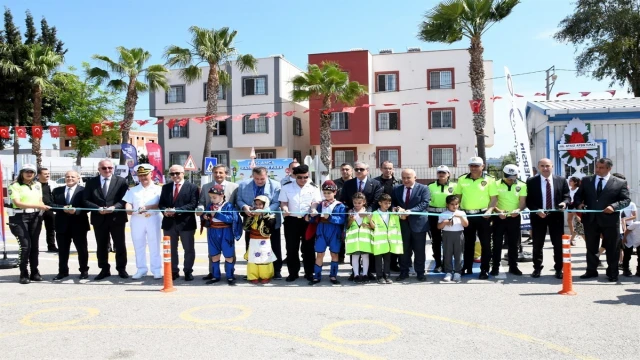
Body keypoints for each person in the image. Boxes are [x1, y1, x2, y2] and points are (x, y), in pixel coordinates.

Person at [574, 158, 630, 282]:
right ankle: (591, 271)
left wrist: (613, 207)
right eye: (597, 167)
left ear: (609, 168)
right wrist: (579, 205)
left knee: (612, 247)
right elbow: (578, 196)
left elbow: (626, 200)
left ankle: (612, 272)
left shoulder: (620, 182)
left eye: (601, 168)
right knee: (591, 247)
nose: (597, 170)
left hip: (610, 220)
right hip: (590, 220)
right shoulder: (587, 180)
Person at [83, 159, 130, 280]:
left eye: (110, 168)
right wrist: (97, 208)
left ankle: (121, 269)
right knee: (102, 246)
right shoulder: (91, 182)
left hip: (116, 218)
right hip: (99, 218)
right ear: (99, 170)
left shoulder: (121, 181)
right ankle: (104, 269)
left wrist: (115, 207)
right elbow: (86, 200)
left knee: (120, 245)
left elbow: (125, 199)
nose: (107, 170)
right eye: (104, 168)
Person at [525, 158, 570, 279]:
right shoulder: (531, 181)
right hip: (538, 216)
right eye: (542, 166)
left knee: (558, 244)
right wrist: (536, 210)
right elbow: (528, 201)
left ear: (552, 166)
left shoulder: (561, 180)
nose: (545, 168)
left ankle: (559, 269)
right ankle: (537, 268)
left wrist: (564, 203)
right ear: (539, 167)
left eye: (547, 166)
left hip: (556, 216)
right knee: (537, 244)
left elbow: (567, 196)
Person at [236, 167, 282, 279]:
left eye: (262, 178)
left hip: (270, 221)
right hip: (252, 222)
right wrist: (244, 206)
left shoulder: (275, 185)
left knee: (274, 246)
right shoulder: (243, 185)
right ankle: (252, 272)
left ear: (267, 175)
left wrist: (264, 211)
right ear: (252, 176)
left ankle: (276, 271)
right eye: (257, 179)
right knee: (251, 247)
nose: (259, 181)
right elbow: (239, 200)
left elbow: (277, 203)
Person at [8, 164, 50, 284]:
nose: (29, 173)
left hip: (35, 216)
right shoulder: (14, 186)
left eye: (31, 171)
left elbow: (40, 200)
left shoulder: (37, 185)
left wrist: (40, 207)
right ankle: (23, 272)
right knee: (25, 246)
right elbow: (18, 203)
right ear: (21, 172)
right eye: (26, 171)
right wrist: (39, 206)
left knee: (34, 246)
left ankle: (34, 271)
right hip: (19, 217)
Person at [279, 164, 322, 282]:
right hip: (291, 220)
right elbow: (283, 202)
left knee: (308, 247)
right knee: (292, 247)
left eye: (305, 177)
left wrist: (313, 209)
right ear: (294, 176)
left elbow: (316, 201)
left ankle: (309, 272)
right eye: (300, 177)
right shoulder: (286, 187)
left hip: (307, 220)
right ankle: (293, 273)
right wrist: (285, 209)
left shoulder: (313, 188)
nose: (303, 180)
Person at [454, 157, 495, 279]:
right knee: (468, 243)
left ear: (483, 166)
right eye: (471, 165)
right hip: (467, 216)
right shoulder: (462, 179)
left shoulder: (490, 180)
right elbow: (458, 197)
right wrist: (456, 212)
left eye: (476, 165)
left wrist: (490, 210)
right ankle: (467, 267)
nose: (473, 168)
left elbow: (494, 198)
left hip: (484, 216)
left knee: (485, 244)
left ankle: (484, 269)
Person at [158, 164, 199, 281]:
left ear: (183, 173)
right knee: (171, 249)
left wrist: (176, 211)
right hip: (169, 223)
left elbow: (193, 204)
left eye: (177, 173)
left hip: (186, 223)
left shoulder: (192, 187)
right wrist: (165, 211)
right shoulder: (165, 187)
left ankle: (188, 271)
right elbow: (161, 204)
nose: (175, 176)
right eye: (172, 174)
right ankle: (173, 271)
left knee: (189, 249)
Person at [199, 164, 239, 281]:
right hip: (212, 227)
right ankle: (213, 273)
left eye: (221, 172)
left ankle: (230, 274)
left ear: (226, 173)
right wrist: (202, 212)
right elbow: (202, 202)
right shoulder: (206, 187)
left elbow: (236, 205)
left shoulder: (234, 187)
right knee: (213, 251)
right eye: (215, 172)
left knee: (229, 251)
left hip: (227, 228)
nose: (218, 175)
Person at [123, 164, 163, 280]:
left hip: (153, 218)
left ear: (151, 174)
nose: (143, 177)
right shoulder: (133, 190)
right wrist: (128, 208)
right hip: (137, 220)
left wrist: (149, 207)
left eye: (145, 175)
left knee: (154, 244)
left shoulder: (159, 189)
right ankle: (141, 269)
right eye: (141, 175)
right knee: (138, 245)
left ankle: (156, 270)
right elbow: (128, 202)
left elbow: (160, 204)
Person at [488, 164, 527, 276]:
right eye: (508, 176)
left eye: (513, 176)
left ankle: (513, 266)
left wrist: (518, 210)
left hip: (514, 218)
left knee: (514, 243)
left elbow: (523, 202)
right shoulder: (495, 184)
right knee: (497, 243)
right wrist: (498, 211)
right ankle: (495, 266)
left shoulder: (522, 185)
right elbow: (492, 201)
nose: (510, 179)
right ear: (503, 174)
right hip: (499, 217)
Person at [392, 168, 431, 282]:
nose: (405, 180)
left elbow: (424, 203)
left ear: (415, 177)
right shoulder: (396, 189)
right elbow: (393, 202)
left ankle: (420, 272)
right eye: (403, 178)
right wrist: (395, 208)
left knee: (419, 250)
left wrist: (410, 211)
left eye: (408, 178)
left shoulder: (424, 188)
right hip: (402, 224)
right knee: (404, 250)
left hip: (419, 224)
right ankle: (404, 272)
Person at [51, 171, 90, 281]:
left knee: (82, 250)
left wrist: (76, 211)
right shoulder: (57, 191)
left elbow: (87, 205)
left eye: (73, 177)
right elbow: (51, 205)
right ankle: (62, 271)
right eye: (67, 176)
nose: (70, 178)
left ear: (78, 178)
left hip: (79, 225)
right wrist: (63, 208)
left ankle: (84, 270)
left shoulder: (84, 191)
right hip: (61, 225)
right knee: (62, 251)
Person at [306, 180, 346, 285]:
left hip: (334, 230)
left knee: (334, 254)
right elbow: (315, 218)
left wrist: (331, 218)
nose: (327, 195)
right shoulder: (320, 204)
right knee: (320, 253)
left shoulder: (340, 205)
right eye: (325, 193)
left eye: (329, 193)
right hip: (321, 229)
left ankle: (333, 276)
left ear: (335, 192)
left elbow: (342, 220)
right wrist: (310, 217)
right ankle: (317, 276)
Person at [427, 165, 458, 273]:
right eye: (439, 172)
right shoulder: (430, 186)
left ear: (448, 174)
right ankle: (438, 264)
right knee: (436, 241)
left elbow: (456, 202)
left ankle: (447, 263)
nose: (441, 174)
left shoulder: (455, 186)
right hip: (433, 217)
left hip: (448, 215)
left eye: (444, 172)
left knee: (447, 241)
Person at [243, 195, 277, 284]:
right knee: (253, 257)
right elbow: (245, 227)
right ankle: (253, 275)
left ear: (265, 205)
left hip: (264, 241)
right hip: (253, 240)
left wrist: (263, 214)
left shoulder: (271, 216)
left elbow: (271, 227)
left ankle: (265, 275)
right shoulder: (252, 214)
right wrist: (250, 216)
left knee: (264, 257)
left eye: (260, 204)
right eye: (256, 204)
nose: (258, 206)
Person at [374, 160, 401, 271]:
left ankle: (393, 264)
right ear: (381, 169)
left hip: (392, 215)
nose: (388, 170)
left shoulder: (398, 182)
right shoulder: (375, 181)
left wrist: (397, 208)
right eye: (385, 168)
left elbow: (400, 198)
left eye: (390, 168)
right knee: (378, 240)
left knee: (392, 239)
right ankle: (376, 267)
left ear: (393, 169)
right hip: (378, 214)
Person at [370, 193, 403, 284]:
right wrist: (369, 220)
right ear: (380, 203)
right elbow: (372, 226)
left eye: (389, 203)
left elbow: (403, 217)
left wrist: (400, 211)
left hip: (388, 242)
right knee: (378, 261)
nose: (387, 205)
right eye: (385, 203)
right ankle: (379, 276)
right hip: (378, 241)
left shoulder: (392, 213)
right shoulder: (375, 213)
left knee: (387, 260)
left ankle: (387, 276)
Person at [438, 195, 468, 283]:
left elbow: (466, 225)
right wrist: (445, 222)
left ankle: (458, 272)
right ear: (447, 204)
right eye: (452, 204)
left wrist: (461, 217)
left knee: (458, 254)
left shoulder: (462, 213)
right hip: (447, 235)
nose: (454, 206)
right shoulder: (443, 214)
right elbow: (439, 226)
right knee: (447, 253)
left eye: (456, 204)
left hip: (458, 235)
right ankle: (448, 272)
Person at [345, 192, 374, 283]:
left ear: (364, 202)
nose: (357, 205)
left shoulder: (367, 212)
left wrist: (368, 223)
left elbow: (373, 227)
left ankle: (365, 274)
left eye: (359, 203)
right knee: (355, 257)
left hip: (364, 238)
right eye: (355, 203)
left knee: (365, 256)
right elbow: (347, 226)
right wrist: (350, 220)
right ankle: (356, 274)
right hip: (353, 238)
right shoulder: (350, 212)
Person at [333, 162, 353, 264]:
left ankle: (353, 259)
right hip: (339, 214)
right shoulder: (335, 183)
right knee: (339, 236)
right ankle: (340, 257)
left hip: (352, 213)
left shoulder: (355, 182)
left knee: (351, 235)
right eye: (343, 169)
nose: (345, 171)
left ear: (351, 170)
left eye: (347, 169)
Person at [37, 167, 58, 252]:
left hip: (50, 209)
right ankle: (34, 247)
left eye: (48, 174)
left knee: (51, 229)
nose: (47, 175)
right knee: (36, 229)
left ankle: (51, 246)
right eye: (45, 174)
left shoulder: (53, 184)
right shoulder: (34, 184)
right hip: (38, 210)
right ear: (39, 175)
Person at [567, 176, 581, 246]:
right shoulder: (569, 189)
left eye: (571, 181)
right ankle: (572, 234)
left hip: (576, 205)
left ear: (575, 182)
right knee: (569, 220)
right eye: (569, 181)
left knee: (578, 221)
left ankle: (574, 236)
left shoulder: (578, 189)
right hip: (570, 204)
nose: (569, 182)